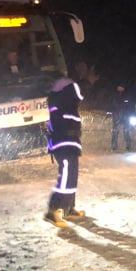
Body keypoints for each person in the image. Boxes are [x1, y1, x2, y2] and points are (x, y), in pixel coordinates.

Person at [43, 78, 85, 227]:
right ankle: (52, 211)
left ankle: (68, 207)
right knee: (66, 177)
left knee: (72, 176)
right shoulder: (59, 105)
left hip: (71, 144)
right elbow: (59, 127)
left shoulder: (69, 105)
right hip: (64, 145)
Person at [110, 84, 136, 152]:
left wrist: (133, 114)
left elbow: (132, 106)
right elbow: (111, 105)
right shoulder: (114, 95)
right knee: (115, 131)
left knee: (126, 131)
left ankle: (128, 146)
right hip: (116, 115)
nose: (120, 88)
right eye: (119, 87)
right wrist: (109, 112)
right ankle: (113, 146)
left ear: (124, 88)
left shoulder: (127, 96)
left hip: (126, 115)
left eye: (121, 87)